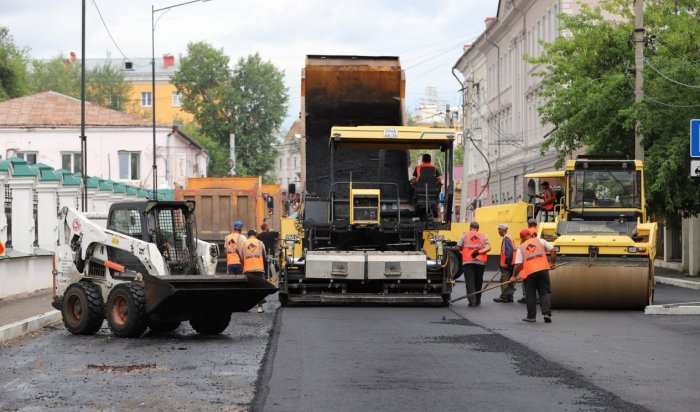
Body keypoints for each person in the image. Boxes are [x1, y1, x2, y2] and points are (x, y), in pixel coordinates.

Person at [509, 229, 556, 323]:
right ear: (530, 235)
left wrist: (513, 276)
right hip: (543, 270)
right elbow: (553, 250)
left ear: (522, 238)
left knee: (530, 295)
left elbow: (518, 264)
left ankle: (531, 317)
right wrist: (552, 263)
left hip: (529, 273)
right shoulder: (540, 241)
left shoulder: (521, 247)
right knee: (544, 292)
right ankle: (546, 313)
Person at [455, 221, 491, 307]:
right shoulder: (483, 236)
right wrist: (478, 251)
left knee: (470, 282)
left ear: (469, 227)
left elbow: (457, 247)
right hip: (480, 262)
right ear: (478, 229)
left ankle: (472, 301)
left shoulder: (465, 235)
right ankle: (478, 300)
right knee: (478, 281)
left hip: (468, 262)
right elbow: (488, 248)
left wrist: (460, 249)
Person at [239, 229, 267, 313]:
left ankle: (247, 306)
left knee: (249, 288)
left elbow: (241, 257)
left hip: (248, 269)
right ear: (256, 234)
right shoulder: (260, 243)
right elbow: (264, 255)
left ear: (248, 235)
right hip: (259, 268)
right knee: (260, 288)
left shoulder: (244, 244)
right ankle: (260, 307)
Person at [517, 218, 539, 304]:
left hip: (527, 257)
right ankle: (537, 297)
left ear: (529, 224)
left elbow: (522, 244)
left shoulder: (526, 232)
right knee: (538, 280)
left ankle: (526, 296)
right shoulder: (539, 230)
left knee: (525, 277)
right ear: (536, 224)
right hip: (538, 256)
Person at [493, 223, 515, 303]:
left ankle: (504, 297)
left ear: (502, 230)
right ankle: (510, 297)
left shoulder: (506, 239)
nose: (498, 231)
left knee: (504, 280)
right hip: (512, 264)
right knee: (510, 281)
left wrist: (506, 263)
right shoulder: (509, 237)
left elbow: (509, 253)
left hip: (507, 265)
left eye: (498, 229)